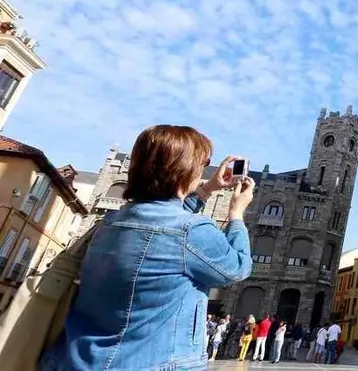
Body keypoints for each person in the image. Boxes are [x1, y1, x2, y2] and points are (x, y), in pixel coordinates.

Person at [39, 125, 254, 371]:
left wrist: (205, 191)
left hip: (73, 361)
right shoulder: (191, 231)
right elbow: (237, 267)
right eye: (203, 164)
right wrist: (237, 214)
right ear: (185, 170)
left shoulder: (109, 223)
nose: (203, 170)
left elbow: (161, 222)